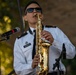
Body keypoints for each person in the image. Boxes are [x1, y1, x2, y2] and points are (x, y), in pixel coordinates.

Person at [13, 1, 75, 75]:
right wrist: (31, 66)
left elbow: (72, 53)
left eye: (38, 10)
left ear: (41, 16)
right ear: (25, 18)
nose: (34, 11)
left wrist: (54, 41)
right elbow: (18, 68)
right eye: (30, 10)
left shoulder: (55, 31)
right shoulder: (20, 40)